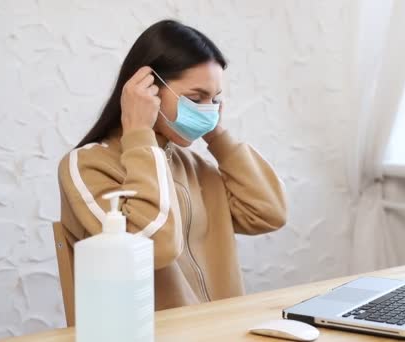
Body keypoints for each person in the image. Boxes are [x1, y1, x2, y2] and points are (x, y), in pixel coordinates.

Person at [57, 19, 287, 310]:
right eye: (196, 98)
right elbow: (154, 249)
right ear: (147, 90)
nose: (207, 109)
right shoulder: (89, 165)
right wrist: (139, 134)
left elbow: (268, 214)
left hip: (223, 330)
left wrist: (217, 135)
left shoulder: (194, 167)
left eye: (215, 99)